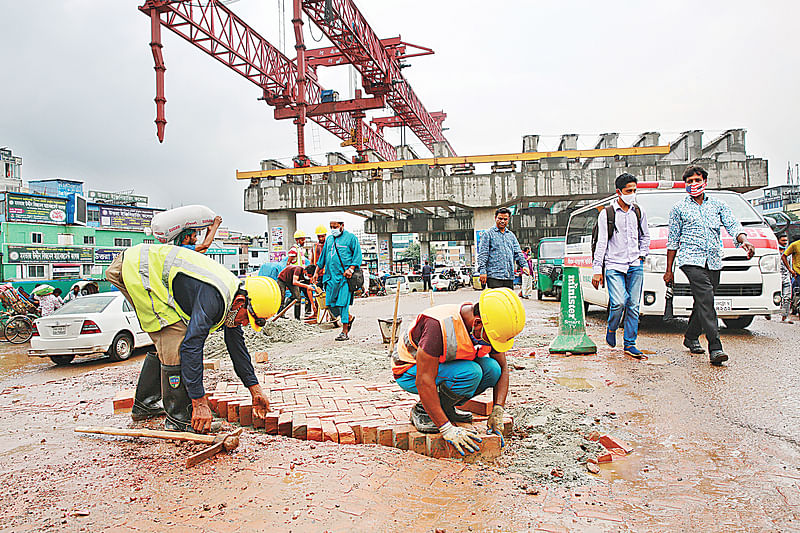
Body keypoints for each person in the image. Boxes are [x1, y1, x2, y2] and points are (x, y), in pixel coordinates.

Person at [105, 243, 277, 433]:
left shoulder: (233, 298)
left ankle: (146, 404)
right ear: (240, 302)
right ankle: (179, 419)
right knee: (174, 338)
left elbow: (236, 346)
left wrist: (255, 389)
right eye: (247, 318)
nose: (245, 324)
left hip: (138, 267)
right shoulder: (214, 298)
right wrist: (199, 402)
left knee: (167, 341)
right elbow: (191, 346)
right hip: (136, 270)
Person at [392, 288, 525, 455]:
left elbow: (503, 368)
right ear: (477, 323)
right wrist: (446, 429)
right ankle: (423, 410)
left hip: (445, 366)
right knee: (472, 373)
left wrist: (498, 409)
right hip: (409, 370)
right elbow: (424, 380)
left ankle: (445, 408)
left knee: (492, 369)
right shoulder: (438, 324)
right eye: (491, 339)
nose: (492, 343)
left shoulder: (487, 326)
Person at [664, 165, 755, 365]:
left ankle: (690, 336)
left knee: (703, 301)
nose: (694, 184)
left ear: (705, 182)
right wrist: (668, 270)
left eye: (697, 180)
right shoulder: (679, 209)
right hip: (690, 261)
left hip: (713, 261)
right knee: (707, 299)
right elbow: (672, 240)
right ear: (685, 185)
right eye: (689, 181)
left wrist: (743, 240)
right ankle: (715, 347)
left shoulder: (718, 205)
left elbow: (732, 225)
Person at [591, 173, 651, 357]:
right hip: (614, 265)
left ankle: (630, 344)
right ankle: (612, 327)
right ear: (619, 192)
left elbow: (645, 236)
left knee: (633, 306)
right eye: (628, 191)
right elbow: (601, 242)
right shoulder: (607, 213)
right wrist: (596, 270)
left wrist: (642, 255)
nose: (632, 194)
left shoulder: (638, 211)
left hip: (635, 264)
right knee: (618, 302)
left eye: (634, 190)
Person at [316, 220, 362, 341]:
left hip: (344, 278)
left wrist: (351, 269)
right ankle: (349, 318)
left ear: (342, 226)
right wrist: (316, 272)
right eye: (331, 227)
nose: (333, 229)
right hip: (330, 277)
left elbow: (357, 255)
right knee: (330, 304)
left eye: (335, 226)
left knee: (343, 304)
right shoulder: (329, 240)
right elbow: (322, 258)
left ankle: (344, 331)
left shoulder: (351, 238)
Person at [477, 207, 530, 289]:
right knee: (496, 301)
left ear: (508, 220)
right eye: (500, 218)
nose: (502, 221)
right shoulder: (488, 234)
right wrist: (482, 271)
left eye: (505, 219)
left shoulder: (511, 235)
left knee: (508, 301)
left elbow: (518, 253)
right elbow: (483, 255)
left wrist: (524, 265)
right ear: (495, 218)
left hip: (509, 277)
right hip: (494, 277)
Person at [777, 234, 794, 323]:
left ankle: (785, 317)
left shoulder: (788, 252)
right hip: (775, 278)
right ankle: (767, 313)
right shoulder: (774, 251)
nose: (785, 242)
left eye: (786, 241)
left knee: (787, 297)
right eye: (783, 241)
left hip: (786, 277)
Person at [310, 225, 328, 289]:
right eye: (319, 236)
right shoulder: (315, 246)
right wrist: (312, 272)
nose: (321, 238)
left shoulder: (329, 245)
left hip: (326, 273)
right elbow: (312, 260)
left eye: (322, 236)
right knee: (318, 290)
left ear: (325, 235)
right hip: (317, 273)